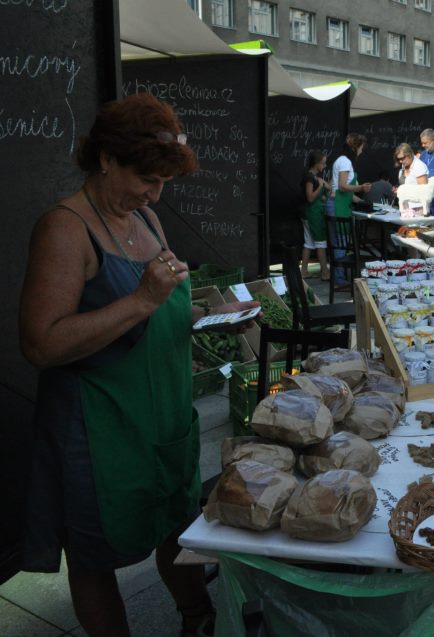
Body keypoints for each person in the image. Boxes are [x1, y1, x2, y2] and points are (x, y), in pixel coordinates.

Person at [18, 93, 258, 637]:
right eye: (145, 178)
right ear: (105, 158)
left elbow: (159, 308)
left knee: (176, 527)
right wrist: (142, 301)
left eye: (162, 182)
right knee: (94, 558)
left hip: (164, 418)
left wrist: (211, 314)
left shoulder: (146, 217)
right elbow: (41, 344)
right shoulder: (64, 227)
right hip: (99, 430)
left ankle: (196, 617)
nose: (154, 193)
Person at [301, 150, 331, 280]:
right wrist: (321, 185)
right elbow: (310, 198)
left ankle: (304, 271)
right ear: (316, 163)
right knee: (320, 243)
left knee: (309, 242)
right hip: (312, 214)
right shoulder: (309, 177)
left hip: (311, 213)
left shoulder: (314, 178)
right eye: (323, 163)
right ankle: (325, 272)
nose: (324, 166)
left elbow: (319, 197)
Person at [331, 132, 372, 219]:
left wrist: (362, 202)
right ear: (354, 148)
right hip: (338, 204)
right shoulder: (345, 162)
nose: (361, 151)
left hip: (339, 202)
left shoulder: (342, 160)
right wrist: (361, 187)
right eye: (361, 148)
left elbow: (344, 192)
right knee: (340, 232)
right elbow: (342, 187)